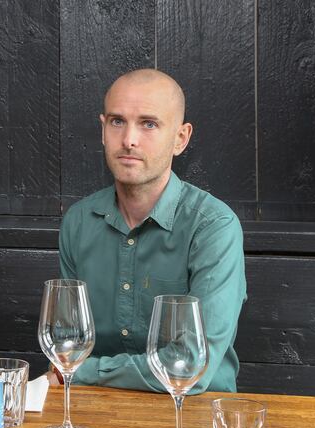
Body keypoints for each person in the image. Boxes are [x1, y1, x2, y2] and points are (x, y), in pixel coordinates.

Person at [55, 68, 246, 393]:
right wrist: (73, 370)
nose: (129, 139)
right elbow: (68, 345)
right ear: (103, 130)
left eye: (149, 124)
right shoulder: (79, 221)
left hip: (193, 420)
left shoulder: (214, 226)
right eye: (117, 121)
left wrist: (87, 372)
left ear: (180, 139)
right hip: (97, 417)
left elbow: (191, 363)